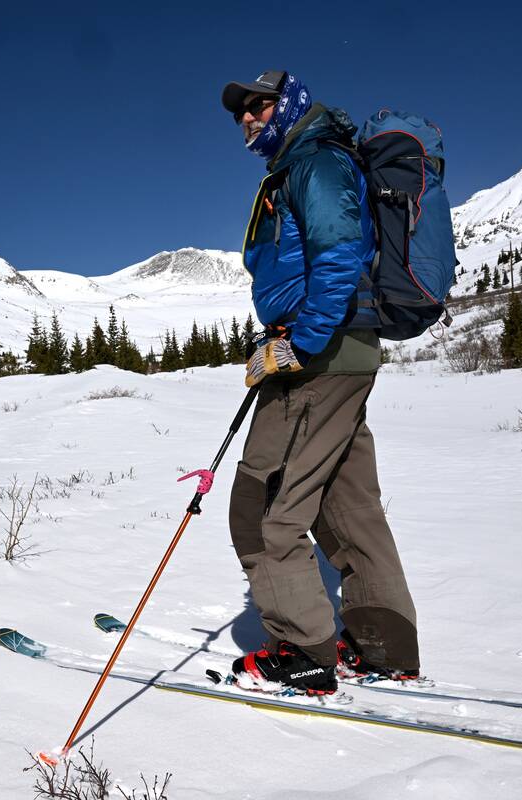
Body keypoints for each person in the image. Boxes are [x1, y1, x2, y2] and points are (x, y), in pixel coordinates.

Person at [220, 70, 420, 695]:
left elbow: (337, 256)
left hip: (320, 357)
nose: (250, 118)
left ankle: (304, 651)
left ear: (293, 104)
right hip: (341, 356)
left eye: (261, 105)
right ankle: (384, 645)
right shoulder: (309, 163)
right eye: (242, 113)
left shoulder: (315, 164)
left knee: (263, 511)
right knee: (346, 504)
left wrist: (296, 346)